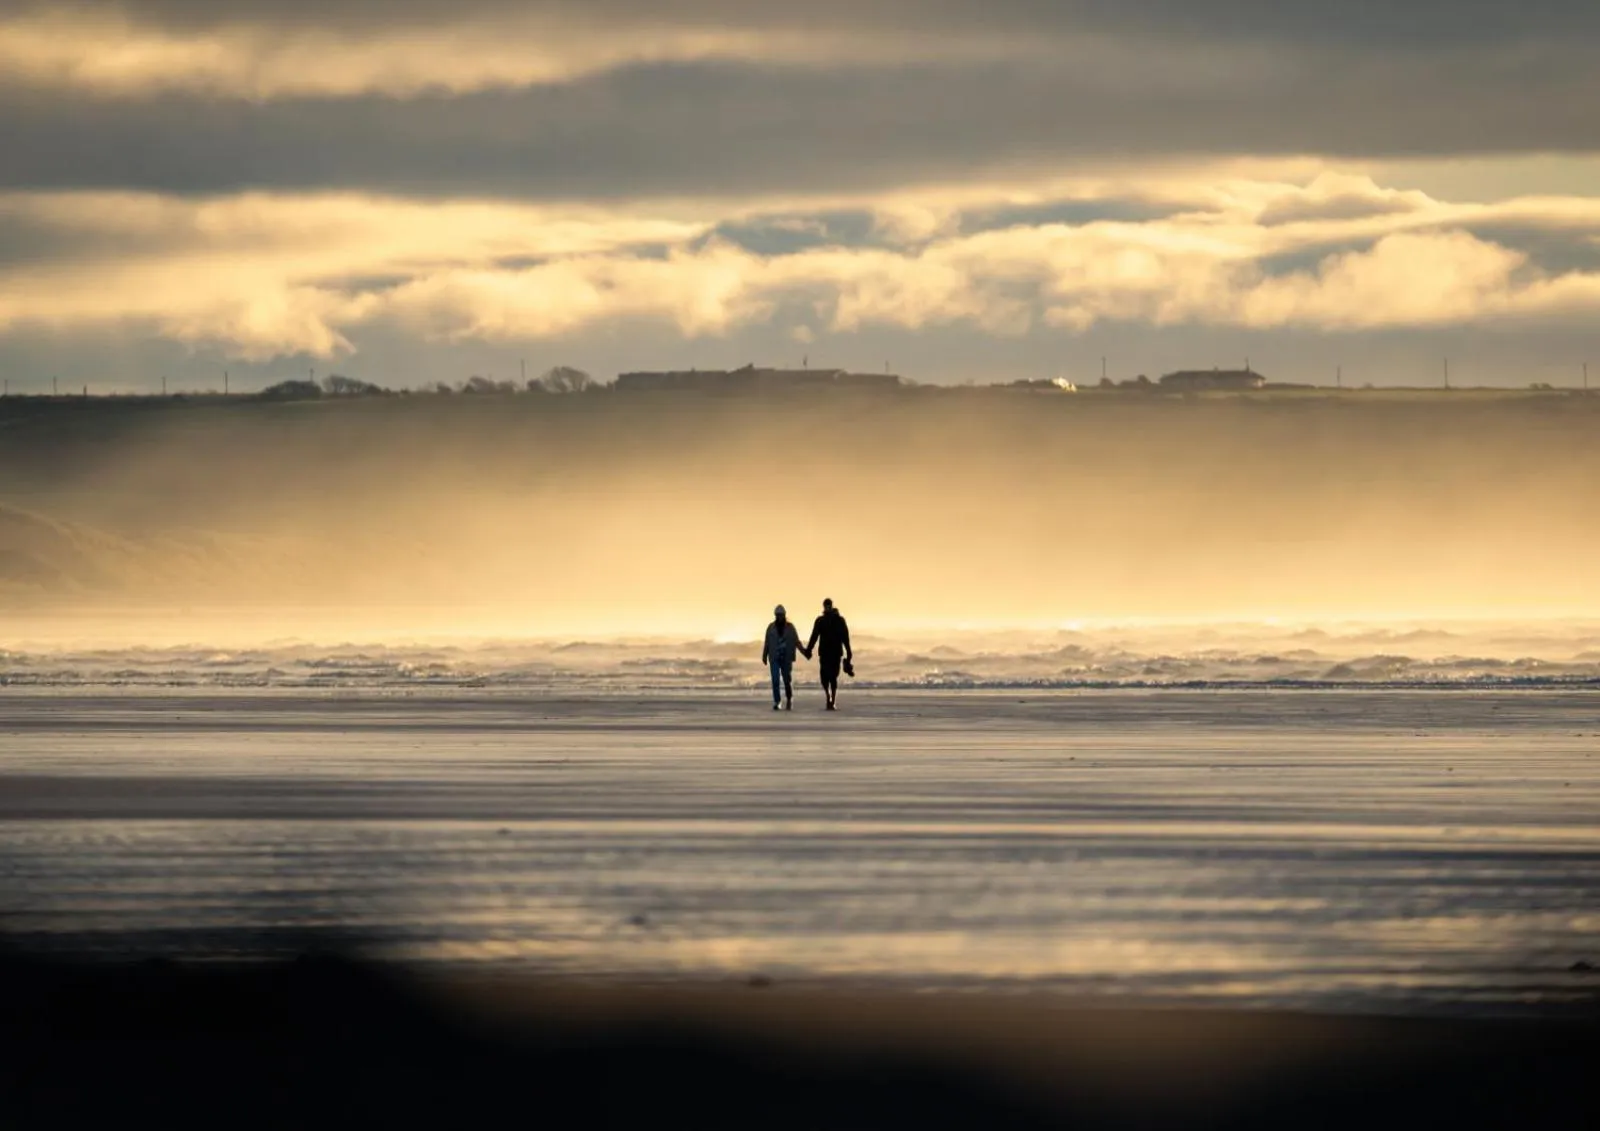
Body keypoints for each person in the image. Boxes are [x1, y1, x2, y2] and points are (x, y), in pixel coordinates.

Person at [805, 598, 853, 710]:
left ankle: (833, 700)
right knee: (824, 678)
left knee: (833, 677)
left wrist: (849, 653)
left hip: (836, 653)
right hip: (824, 653)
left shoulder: (840, 621)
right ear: (823, 607)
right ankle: (828, 696)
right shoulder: (820, 621)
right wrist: (809, 649)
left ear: (831, 606)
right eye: (826, 605)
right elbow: (814, 636)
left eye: (829, 605)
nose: (827, 607)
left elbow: (845, 638)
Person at [761, 604, 805, 711]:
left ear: (784, 615)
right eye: (777, 615)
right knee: (775, 680)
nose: (779, 617)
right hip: (774, 658)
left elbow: (796, 641)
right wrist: (764, 655)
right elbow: (767, 643)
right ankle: (777, 701)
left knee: (787, 680)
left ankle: (789, 698)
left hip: (786, 658)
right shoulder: (771, 628)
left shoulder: (790, 628)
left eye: (781, 615)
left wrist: (805, 652)